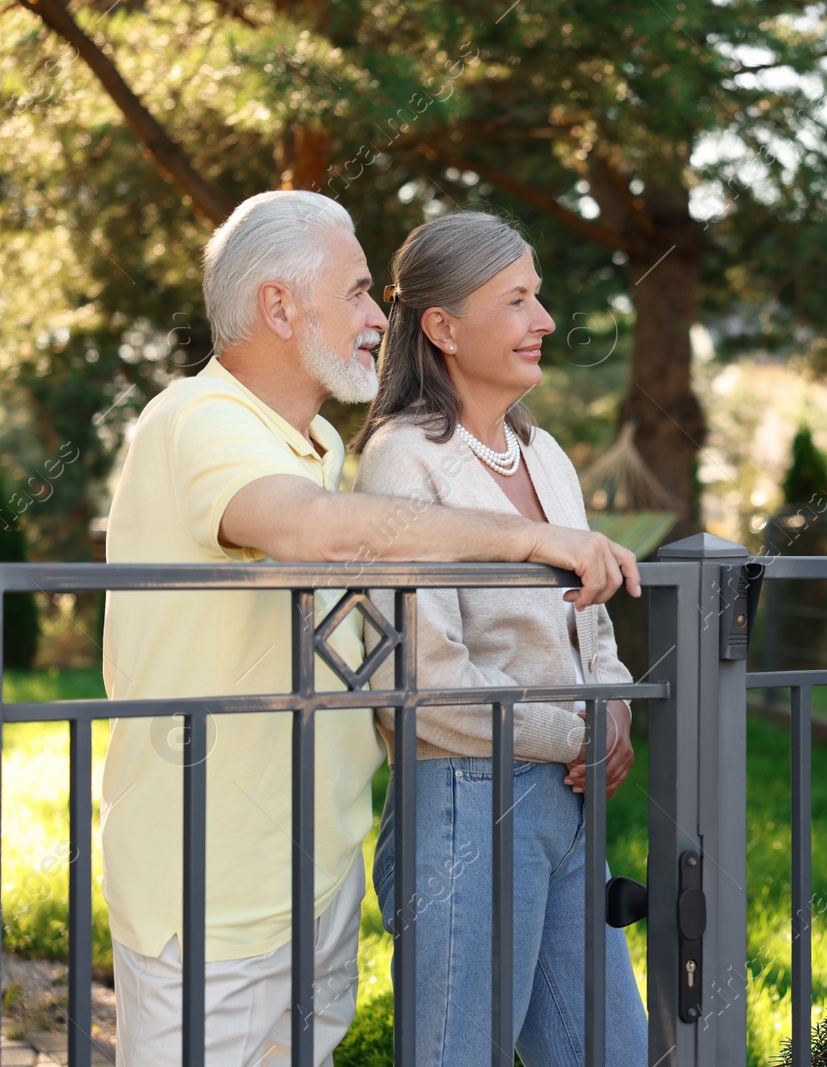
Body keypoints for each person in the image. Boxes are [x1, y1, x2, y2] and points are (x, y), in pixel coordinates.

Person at [101, 190, 640, 1067]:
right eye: (357, 291)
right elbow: (320, 533)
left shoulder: (314, 443)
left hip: (313, 879)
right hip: (210, 892)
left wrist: (606, 707)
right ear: (279, 304)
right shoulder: (197, 420)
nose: (374, 314)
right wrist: (528, 540)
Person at [353, 211, 648, 1067]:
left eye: (539, 297)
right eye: (517, 300)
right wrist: (577, 733)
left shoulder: (543, 453)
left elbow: (591, 617)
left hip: (566, 806)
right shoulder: (402, 459)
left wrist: (614, 704)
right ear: (442, 328)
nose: (544, 320)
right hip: (465, 803)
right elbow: (424, 670)